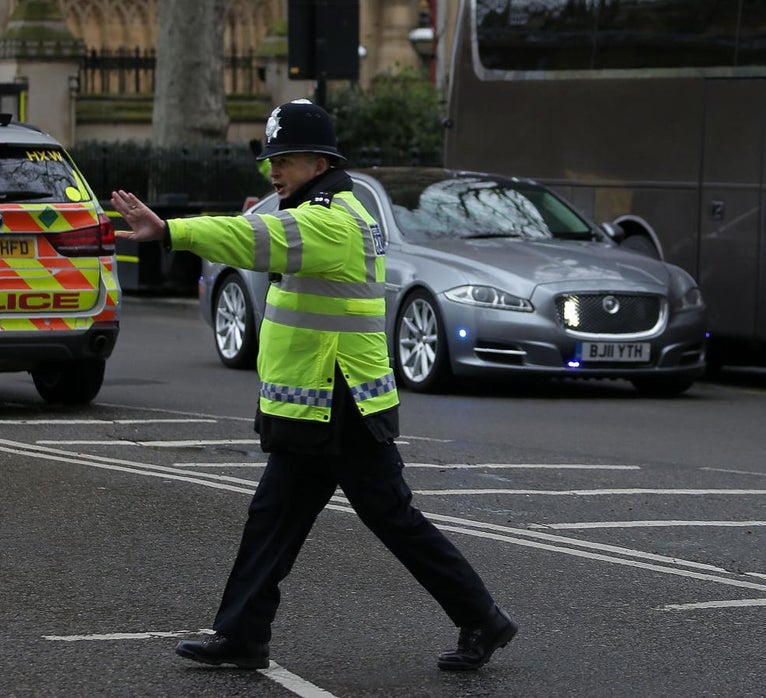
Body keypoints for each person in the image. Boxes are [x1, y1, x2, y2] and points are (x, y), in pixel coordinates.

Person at [110, 98, 517, 672]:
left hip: (343, 401)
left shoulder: (334, 221)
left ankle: (484, 618)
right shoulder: (310, 207)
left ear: (321, 162)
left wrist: (170, 229)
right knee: (273, 519)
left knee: (391, 519)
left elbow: (251, 240)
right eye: (272, 159)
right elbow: (262, 231)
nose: (274, 170)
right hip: (315, 401)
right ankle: (243, 635)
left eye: (288, 159)